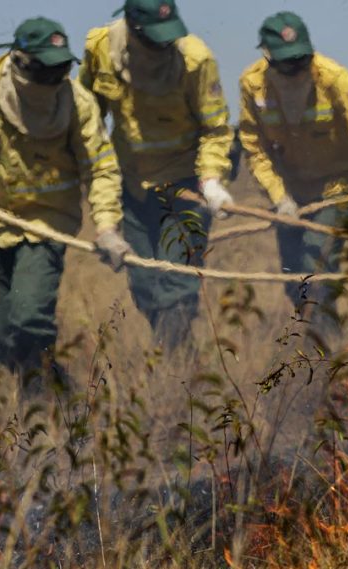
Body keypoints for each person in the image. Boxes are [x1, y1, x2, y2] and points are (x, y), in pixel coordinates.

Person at [0, 17, 130, 379]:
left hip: (47, 226)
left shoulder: (78, 102)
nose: (52, 77)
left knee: (30, 322)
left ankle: (46, 411)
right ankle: (58, 393)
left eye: (60, 68)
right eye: (44, 68)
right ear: (18, 60)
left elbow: (101, 169)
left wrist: (108, 227)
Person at [80, 0, 234, 352]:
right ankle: (183, 359)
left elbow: (216, 129)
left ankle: (176, 386)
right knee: (148, 290)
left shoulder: (196, 59)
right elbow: (87, 118)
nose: (163, 45)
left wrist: (210, 180)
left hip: (184, 186)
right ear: (132, 28)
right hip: (132, 187)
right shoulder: (99, 47)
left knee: (177, 288)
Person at [238, 12, 348, 325]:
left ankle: (317, 349)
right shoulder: (252, 86)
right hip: (290, 192)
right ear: (268, 57)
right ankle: (319, 334)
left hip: (336, 186)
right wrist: (280, 198)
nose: (297, 68)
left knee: (315, 261)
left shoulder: (333, 77)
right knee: (293, 276)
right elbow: (255, 149)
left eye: (301, 59)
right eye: (287, 62)